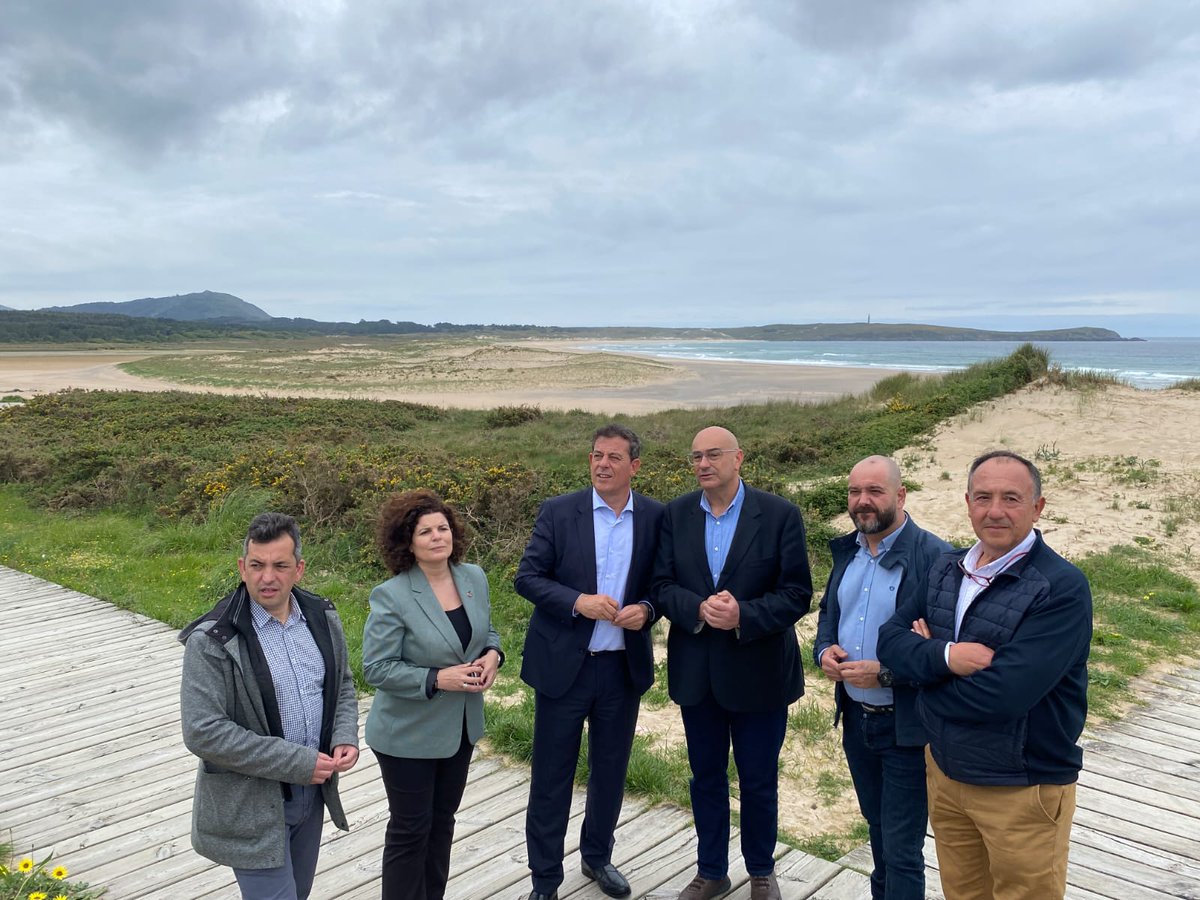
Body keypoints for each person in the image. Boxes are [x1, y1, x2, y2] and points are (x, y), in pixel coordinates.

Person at [877, 450, 1092, 900]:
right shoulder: (945, 568)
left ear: (1038, 507)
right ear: (968, 502)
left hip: (1021, 787)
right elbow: (891, 641)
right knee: (963, 894)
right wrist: (949, 658)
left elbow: (1003, 696)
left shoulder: (1060, 588)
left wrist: (922, 678)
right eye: (983, 497)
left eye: (1011, 498)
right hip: (947, 774)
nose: (995, 511)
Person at [652, 426, 813, 900]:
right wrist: (697, 609)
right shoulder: (676, 514)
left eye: (714, 454)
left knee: (759, 779)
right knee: (705, 778)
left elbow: (797, 593)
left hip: (759, 672)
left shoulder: (780, 514)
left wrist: (744, 614)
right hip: (696, 673)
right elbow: (660, 585)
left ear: (738, 458)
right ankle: (711, 871)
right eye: (696, 456)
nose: (703, 464)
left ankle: (761, 871)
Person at [515, 423, 665, 900]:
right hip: (564, 668)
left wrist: (649, 610)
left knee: (610, 772)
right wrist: (578, 601)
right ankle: (545, 880)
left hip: (621, 669)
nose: (602, 464)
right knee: (552, 777)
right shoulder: (560, 512)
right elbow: (528, 577)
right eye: (596, 455)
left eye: (613, 458)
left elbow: (663, 584)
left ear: (634, 467)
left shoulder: (657, 517)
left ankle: (597, 857)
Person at [179, 512, 360, 900]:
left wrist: (344, 734)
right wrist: (297, 762)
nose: (267, 577)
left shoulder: (322, 616)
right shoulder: (211, 639)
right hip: (251, 806)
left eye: (280, 566)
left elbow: (342, 683)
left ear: (299, 569)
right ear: (242, 568)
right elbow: (203, 731)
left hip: (311, 797)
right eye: (257, 565)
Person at [813, 456, 951, 900]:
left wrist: (887, 674)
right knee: (877, 832)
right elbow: (828, 614)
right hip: (855, 718)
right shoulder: (848, 551)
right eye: (855, 492)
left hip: (906, 726)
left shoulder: (937, 559)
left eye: (874, 491)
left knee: (902, 848)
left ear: (900, 495)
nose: (863, 501)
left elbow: (944, 654)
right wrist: (824, 649)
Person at [362, 489, 504, 900]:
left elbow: (486, 632)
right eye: (425, 532)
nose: (437, 537)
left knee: (442, 823)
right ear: (408, 541)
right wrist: (438, 679)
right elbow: (376, 667)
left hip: (459, 729)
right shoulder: (392, 595)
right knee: (410, 830)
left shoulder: (473, 577)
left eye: (443, 528)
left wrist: (494, 655)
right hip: (406, 735)